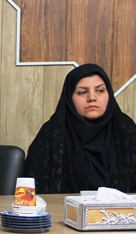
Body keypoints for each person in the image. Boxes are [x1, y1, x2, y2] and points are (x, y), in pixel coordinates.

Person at [24, 63, 136, 194]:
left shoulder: (126, 129)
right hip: (60, 207)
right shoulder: (53, 132)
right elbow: (30, 190)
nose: (92, 98)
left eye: (100, 91)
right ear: (70, 97)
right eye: (82, 92)